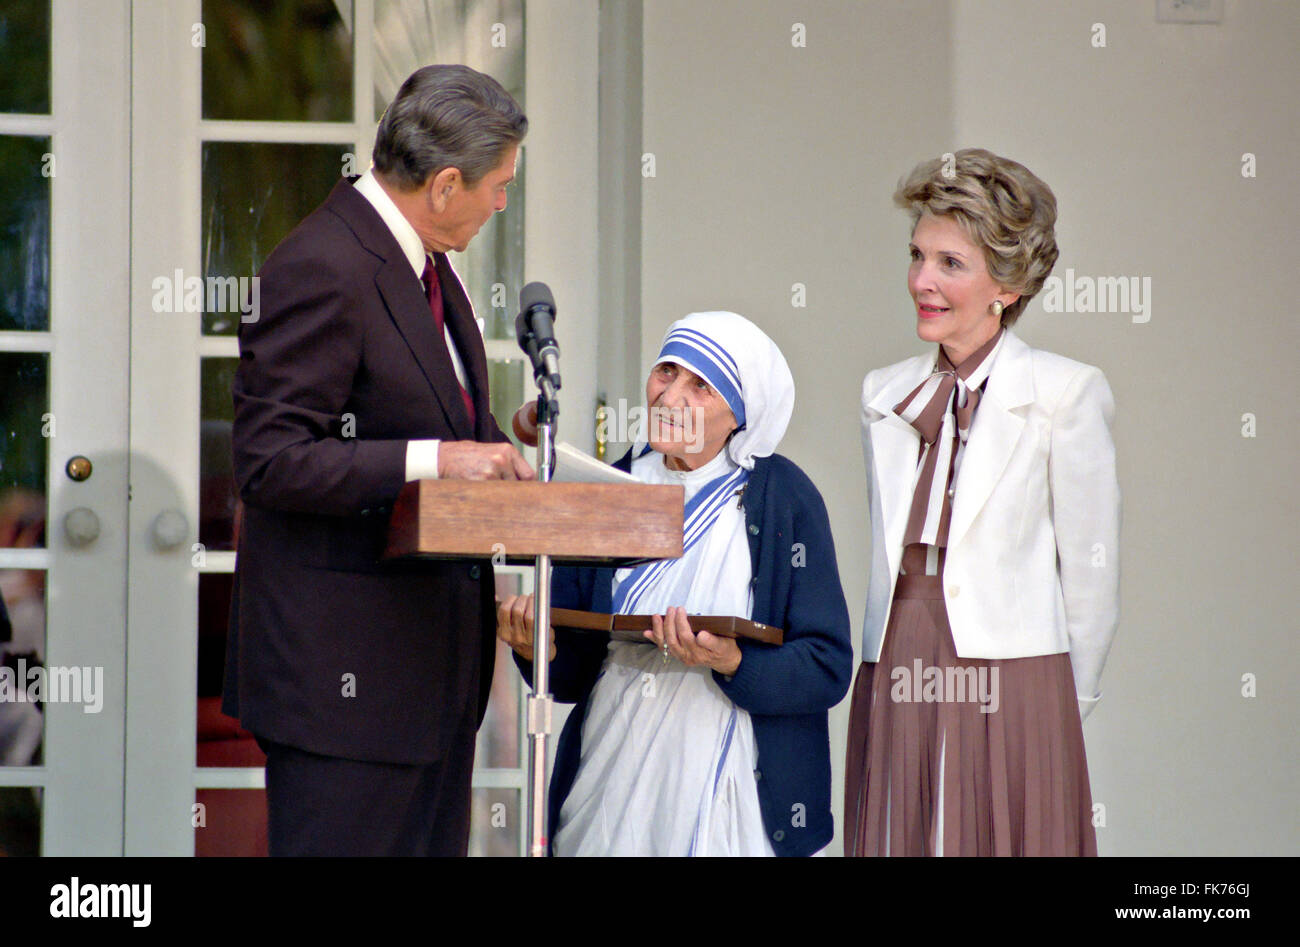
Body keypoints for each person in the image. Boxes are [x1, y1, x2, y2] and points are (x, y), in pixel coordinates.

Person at [222, 64, 534, 857]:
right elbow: (271, 460)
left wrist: (501, 442)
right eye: (498, 186)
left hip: (430, 688)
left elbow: (433, 416)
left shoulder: (429, 264)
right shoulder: (321, 265)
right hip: (345, 697)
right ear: (445, 183)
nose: (502, 203)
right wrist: (439, 457)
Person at [845, 148, 1120, 856]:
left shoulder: (1067, 392)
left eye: (949, 264)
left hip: (1020, 670)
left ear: (1007, 282)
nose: (920, 281)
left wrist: (1065, 701)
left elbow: (1091, 573)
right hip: (896, 650)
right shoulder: (882, 392)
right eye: (917, 256)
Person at [498, 311, 853, 856]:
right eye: (666, 371)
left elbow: (826, 667)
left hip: (737, 782)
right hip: (612, 773)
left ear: (739, 414)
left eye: (700, 386)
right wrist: (534, 647)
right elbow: (571, 676)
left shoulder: (784, 498)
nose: (670, 397)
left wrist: (733, 662)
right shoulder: (605, 488)